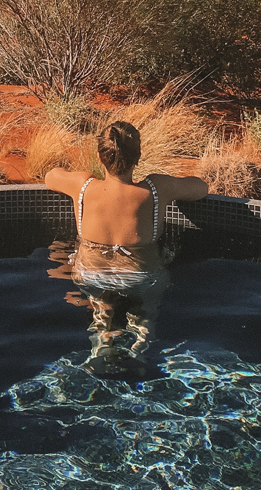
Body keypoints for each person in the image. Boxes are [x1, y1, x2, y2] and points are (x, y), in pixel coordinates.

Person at [45, 120, 208, 375]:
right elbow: (200, 188)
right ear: (138, 157)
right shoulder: (156, 189)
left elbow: (50, 176)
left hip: (92, 273)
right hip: (141, 276)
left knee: (100, 307)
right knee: (145, 314)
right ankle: (140, 353)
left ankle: (100, 345)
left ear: (100, 157)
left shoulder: (83, 186)